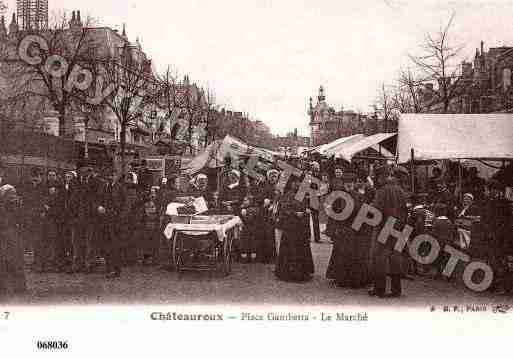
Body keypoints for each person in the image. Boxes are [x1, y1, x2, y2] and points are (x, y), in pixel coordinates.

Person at [369, 165, 408, 298]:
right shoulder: (400, 190)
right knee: (396, 258)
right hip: (399, 227)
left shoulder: (382, 191)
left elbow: (375, 211)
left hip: (384, 227)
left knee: (379, 258)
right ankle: (396, 290)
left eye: (376, 177)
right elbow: (405, 210)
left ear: (381, 177)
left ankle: (379, 289)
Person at [326, 172, 370, 288]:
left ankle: (353, 279)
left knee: (355, 254)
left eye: (351, 183)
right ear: (343, 184)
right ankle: (341, 278)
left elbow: (364, 213)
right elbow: (332, 213)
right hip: (342, 229)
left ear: (355, 184)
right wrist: (333, 229)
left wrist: (359, 227)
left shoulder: (360, 196)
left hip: (354, 230)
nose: (349, 185)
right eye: (346, 183)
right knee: (341, 254)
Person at [275, 177, 314, 282]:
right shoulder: (287, 195)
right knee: (290, 249)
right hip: (290, 227)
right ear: (291, 184)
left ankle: (302, 273)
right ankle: (289, 273)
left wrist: (306, 211)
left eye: (299, 183)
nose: (297, 184)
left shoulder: (302, 195)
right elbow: (283, 210)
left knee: (300, 249)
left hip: (300, 227)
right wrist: (295, 213)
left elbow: (305, 206)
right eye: (295, 183)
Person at [482, 180, 513, 293]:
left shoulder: (504, 203)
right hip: (490, 237)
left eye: (487, 189)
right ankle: (492, 284)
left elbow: (508, 223)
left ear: (494, 190)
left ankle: (503, 287)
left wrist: (503, 237)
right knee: (492, 261)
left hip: (501, 238)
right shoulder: (487, 202)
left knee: (500, 262)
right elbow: (485, 219)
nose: (486, 191)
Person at [0, 163, 26, 296]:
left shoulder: (8, 189)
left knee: (12, 258)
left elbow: (15, 210)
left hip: (7, 228)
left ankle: (18, 287)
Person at [22, 168, 46, 273]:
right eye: (34, 176)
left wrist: (41, 210)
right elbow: (25, 200)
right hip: (28, 216)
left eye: (38, 176)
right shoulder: (26, 186)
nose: (35, 179)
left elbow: (44, 201)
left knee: (39, 240)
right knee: (28, 239)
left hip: (39, 217)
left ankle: (39, 263)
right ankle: (30, 262)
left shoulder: (43, 187)